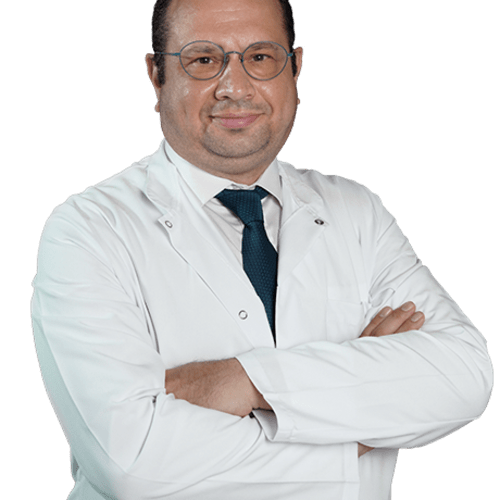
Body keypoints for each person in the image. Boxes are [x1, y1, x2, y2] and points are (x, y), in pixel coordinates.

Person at [31, 0, 493, 499]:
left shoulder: (356, 211)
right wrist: (357, 426)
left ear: (295, 67)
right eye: (203, 59)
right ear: (156, 75)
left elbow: (464, 377)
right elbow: (131, 465)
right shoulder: (89, 230)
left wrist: (244, 381)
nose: (235, 87)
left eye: (260, 57)